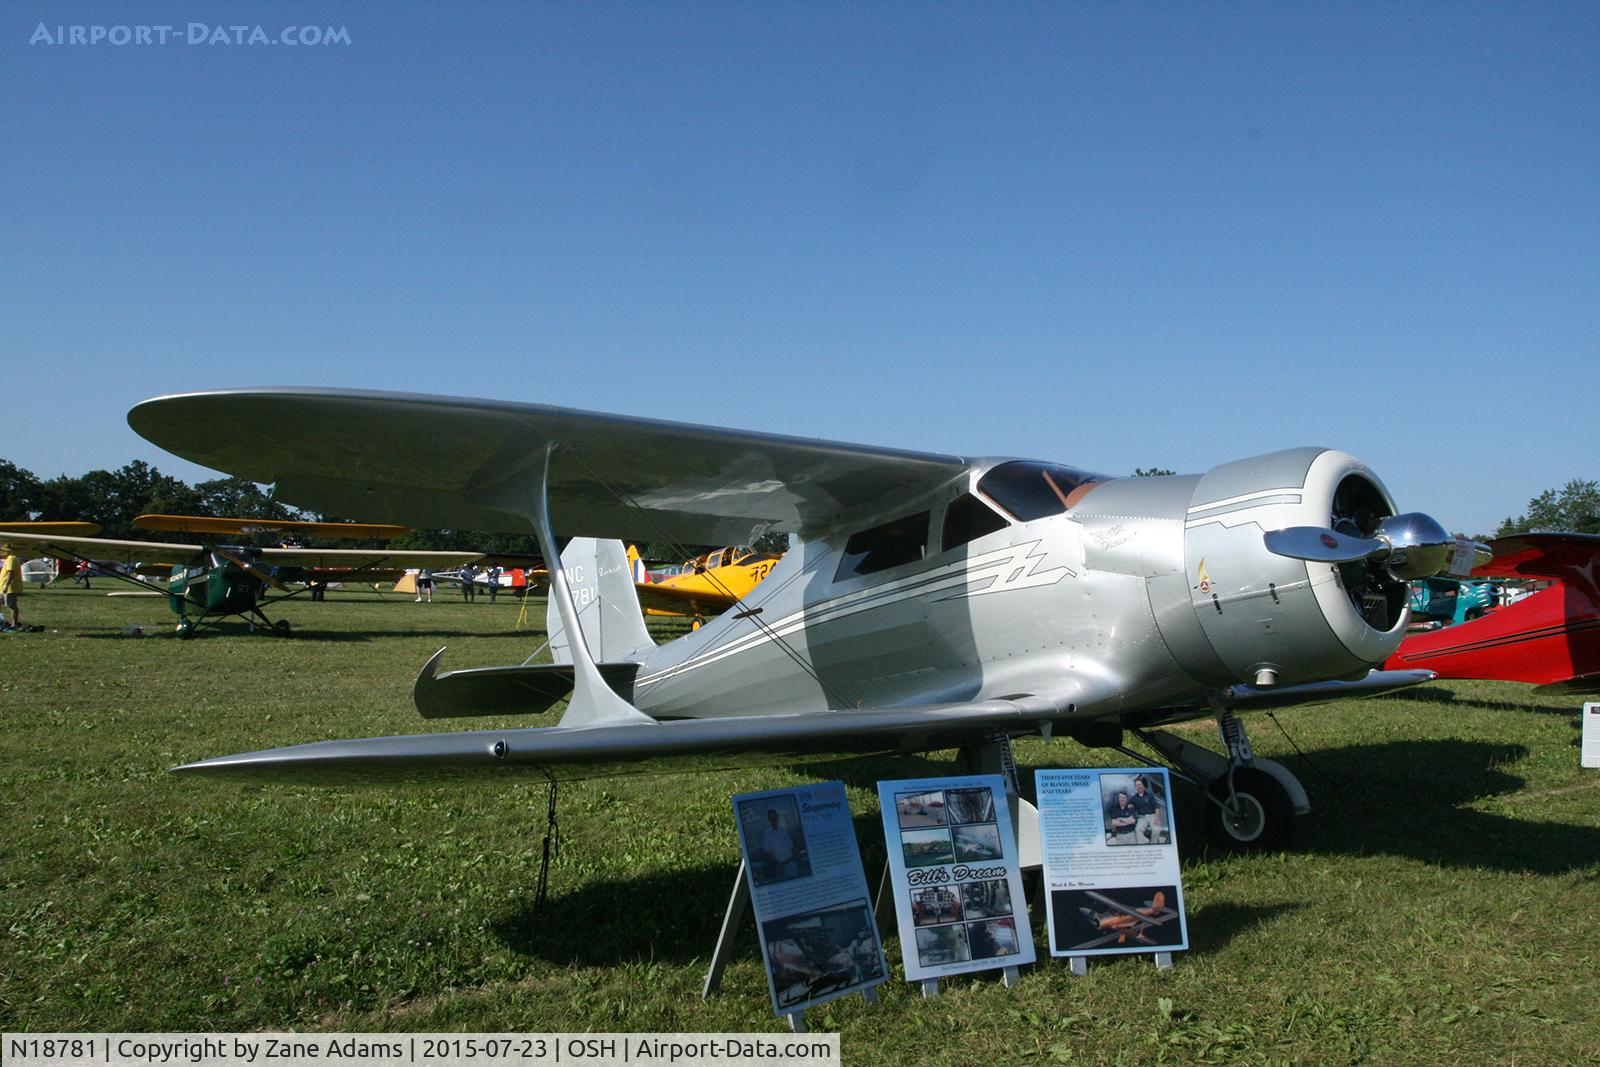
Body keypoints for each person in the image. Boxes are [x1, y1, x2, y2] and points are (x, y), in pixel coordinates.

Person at [756, 808, 798, 882]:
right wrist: (777, 864)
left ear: (777, 818)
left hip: (791, 864)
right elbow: (765, 852)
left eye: (775, 817)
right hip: (779, 868)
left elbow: (791, 847)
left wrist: (796, 856)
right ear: (769, 820)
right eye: (771, 818)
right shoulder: (767, 834)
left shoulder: (783, 830)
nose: (774, 819)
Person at [1130, 774, 1165, 843]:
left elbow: (1157, 808)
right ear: (1135, 787)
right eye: (1137, 785)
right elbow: (1129, 805)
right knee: (1138, 830)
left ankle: (1153, 844)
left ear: (1142, 785)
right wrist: (1130, 806)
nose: (1139, 786)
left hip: (1152, 816)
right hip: (1142, 818)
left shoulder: (1150, 795)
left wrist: (1157, 818)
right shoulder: (1133, 798)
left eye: (1140, 785)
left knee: (1157, 830)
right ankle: (1145, 843)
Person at [1, 553, 22, 631]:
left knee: (11, 605)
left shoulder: (11, 558)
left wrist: (6, 585)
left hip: (9, 588)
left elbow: (11, 573)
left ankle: (14, 624)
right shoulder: (7, 559)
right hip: (3, 587)